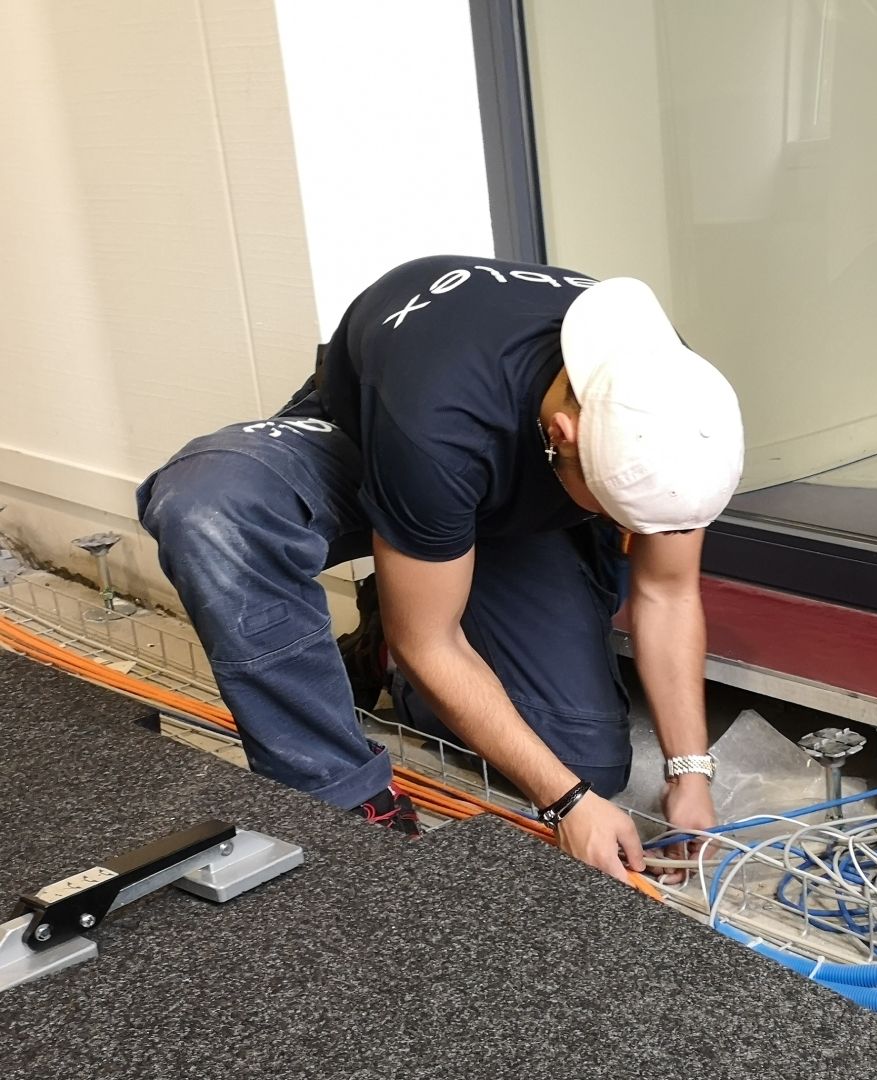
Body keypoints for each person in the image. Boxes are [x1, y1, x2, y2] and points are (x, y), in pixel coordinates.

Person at [137, 255, 743, 882]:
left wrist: (689, 774)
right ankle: (339, 790)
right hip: (379, 443)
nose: (631, 535)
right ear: (565, 435)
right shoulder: (439, 417)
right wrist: (563, 805)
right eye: (619, 516)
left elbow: (667, 593)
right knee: (214, 507)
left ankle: (393, 648)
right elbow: (431, 642)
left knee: (583, 761)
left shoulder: (669, 409)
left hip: (504, 494)